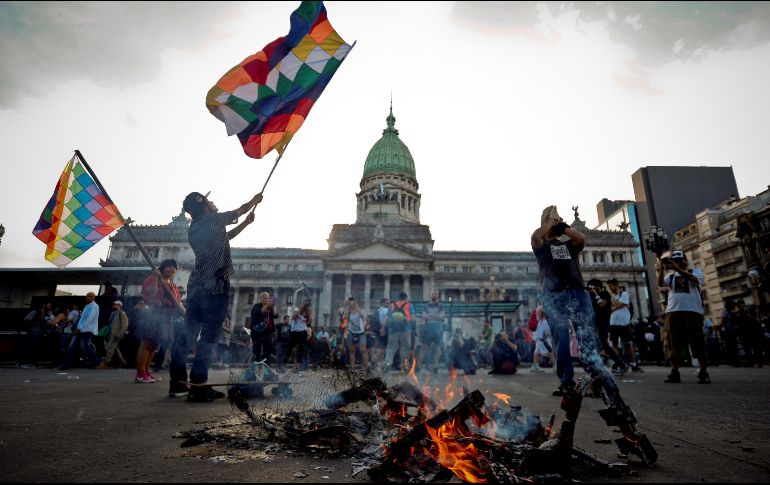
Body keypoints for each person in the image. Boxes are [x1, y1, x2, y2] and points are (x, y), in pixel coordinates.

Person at [169, 191, 262, 401]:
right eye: (209, 200)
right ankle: (198, 386)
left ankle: (177, 383)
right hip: (215, 287)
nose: (213, 203)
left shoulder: (195, 228)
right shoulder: (212, 219)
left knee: (188, 335)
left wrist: (246, 224)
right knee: (209, 337)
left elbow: (226, 237)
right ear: (203, 206)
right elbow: (236, 211)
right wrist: (254, 201)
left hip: (196, 287)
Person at [531, 205, 620, 399]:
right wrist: (549, 222)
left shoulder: (567, 245)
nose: (556, 220)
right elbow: (536, 236)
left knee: (587, 338)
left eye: (558, 218)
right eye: (552, 219)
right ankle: (566, 382)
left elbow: (581, 239)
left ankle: (595, 380)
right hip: (553, 295)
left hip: (577, 292)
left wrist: (561, 226)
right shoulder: (541, 245)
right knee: (561, 338)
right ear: (544, 222)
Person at [657, 250, 709, 383]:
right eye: (675, 261)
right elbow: (661, 284)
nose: (677, 263)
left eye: (679, 261)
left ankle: (703, 371)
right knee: (672, 342)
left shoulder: (695, 271)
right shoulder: (671, 277)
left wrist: (677, 268)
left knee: (697, 340)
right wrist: (662, 269)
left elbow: (694, 280)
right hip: (673, 311)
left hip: (693, 312)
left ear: (685, 261)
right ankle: (675, 372)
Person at [137, 259, 182, 383]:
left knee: (153, 346)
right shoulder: (154, 277)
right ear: (163, 267)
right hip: (154, 312)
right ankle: (140, 374)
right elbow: (150, 294)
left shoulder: (172, 285)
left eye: (174, 267)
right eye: (169, 266)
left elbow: (177, 302)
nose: (171, 269)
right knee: (146, 343)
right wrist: (156, 278)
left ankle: (146, 372)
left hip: (166, 316)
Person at [586, 279, 626, 373]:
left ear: (598, 287)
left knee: (603, 344)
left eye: (593, 287)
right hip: (595, 324)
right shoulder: (591, 296)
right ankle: (613, 364)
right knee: (598, 344)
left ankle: (619, 364)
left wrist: (596, 294)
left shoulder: (605, 294)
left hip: (603, 323)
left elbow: (602, 304)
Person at [607, 278, 643, 373]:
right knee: (614, 345)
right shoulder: (610, 297)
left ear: (616, 285)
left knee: (628, 344)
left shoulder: (624, 294)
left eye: (611, 286)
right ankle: (618, 364)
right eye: (609, 287)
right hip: (613, 323)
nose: (610, 288)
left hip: (624, 323)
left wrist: (612, 305)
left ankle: (633, 364)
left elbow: (619, 304)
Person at [60, 292, 102, 370]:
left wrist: (79, 328)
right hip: (80, 330)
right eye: (87, 296)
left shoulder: (94, 306)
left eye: (91, 296)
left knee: (85, 347)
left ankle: (98, 362)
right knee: (71, 346)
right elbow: (82, 319)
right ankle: (66, 365)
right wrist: (78, 327)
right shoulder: (86, 306)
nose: (89, 298)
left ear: (94, 298)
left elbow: (89, 319)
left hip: (87, 330)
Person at [18, 302, 56, 368]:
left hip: (40, 332)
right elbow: (26, 318)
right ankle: (23, 363)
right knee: (29, 346)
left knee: (34, 347)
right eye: (47, 305)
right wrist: (33, 322)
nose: (49, 306)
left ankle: (30, 362)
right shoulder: (35, 312)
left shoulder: (45, 314)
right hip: (34, 331)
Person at [384, 292, 413, 371]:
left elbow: (387, 318)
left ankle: (387, 365)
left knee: (390, 348)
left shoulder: (392, 305)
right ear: (406, 298)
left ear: (398, 298)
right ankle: (404, 367)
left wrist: (383, 328)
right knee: (405, 348)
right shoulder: (409, 305)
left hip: (393, 330)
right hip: (405, 330)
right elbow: (412, 318)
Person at [419, 289, 445, 373]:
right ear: (431, 295)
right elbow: (424, 316)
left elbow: (442, 316)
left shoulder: (441, 305)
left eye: (436, 294)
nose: (434, 295)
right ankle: (418, 367)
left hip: (438, 329)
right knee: (424, 348)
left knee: (438, 349)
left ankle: (436, 367)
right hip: (428, 328)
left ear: (438, 296)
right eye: (433, 294)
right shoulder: (426, 305)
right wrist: (436, 316)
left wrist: (430, 316)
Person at [97, 300, 128, 369]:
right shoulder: (112, 313)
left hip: (115, 335)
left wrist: (119, 334)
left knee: (110, 349)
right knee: (114, 348)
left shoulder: (122, 314)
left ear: (120, 306)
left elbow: (125, 326)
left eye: (116, 304)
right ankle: (122, 361)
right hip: (109, 334)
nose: (113, 305)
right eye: (113, 304)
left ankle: (105, 364)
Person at [249, 292, 277, 365]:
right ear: (260, 298)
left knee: (267, 351)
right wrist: (267, 305)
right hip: (257, 332)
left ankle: (266, 369)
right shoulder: (256, 306)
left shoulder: (269, 308)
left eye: (268, 298)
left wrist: (273, 307)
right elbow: (260, 311)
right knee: (256, 351)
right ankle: (255, 368)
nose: (266, 300)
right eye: (265, 298)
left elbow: (275, 316)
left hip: (267, 332)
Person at [735, 300, 763, 367]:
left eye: (742, 304)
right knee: (747, 349)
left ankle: (759, 362)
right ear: (738, 306)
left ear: (744, 304)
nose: (741, 306)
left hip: (753, 332)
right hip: (744, 334)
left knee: (756, 348)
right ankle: (751, 363)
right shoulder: (737, 314)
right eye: (740, 305)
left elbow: (757, 320)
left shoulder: (749, 311)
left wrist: (750, 316)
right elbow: (737, 324)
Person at [342, 297, 368, 369]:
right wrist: (346, 307)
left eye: (352, 302)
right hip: (351, 332)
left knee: (363, 350)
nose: (351, 304)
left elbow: (362, 315)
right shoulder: (348, 312)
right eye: (350, 302)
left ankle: (366, 366)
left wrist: (356, 306)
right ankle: (353, 368)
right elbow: (345, 318)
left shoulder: (360, 310)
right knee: (352, 351)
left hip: (361, 333)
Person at [287, 300, 313, 371]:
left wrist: (308, 313)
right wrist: (300, 310)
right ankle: (289, 361)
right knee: (291, 347)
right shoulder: (297, 312)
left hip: (302, 332)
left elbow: (309, 321)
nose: (305, 307)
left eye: (306, 305)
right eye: (305, 305)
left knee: (300, 350)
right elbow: (293, 317)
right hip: (294, 332)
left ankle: (298, 365)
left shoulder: (308, 313)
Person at [530, 306, 555, 373]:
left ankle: (535, 366)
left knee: (537, 353)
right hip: (544, 340)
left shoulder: (539, 321)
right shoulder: (544, 321)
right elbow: (547, 333)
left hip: (539, 340)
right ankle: (555, 366)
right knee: (550, 352)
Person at [720, 300, 740, 366]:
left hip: (732, 332)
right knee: (731, 347)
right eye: (733, 305)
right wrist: (724, 330)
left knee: (734, 346)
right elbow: (722, 321)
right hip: (728, 332)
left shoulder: (731, 313)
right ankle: (732, 361)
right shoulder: (725, 312)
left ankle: (735, 361)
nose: (734, 306)